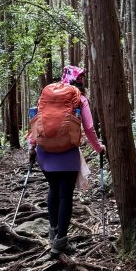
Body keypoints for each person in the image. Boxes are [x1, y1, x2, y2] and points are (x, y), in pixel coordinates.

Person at [29, 65, 104, 256]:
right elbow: (89, 128)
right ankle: (60, 241)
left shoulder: (47, 96)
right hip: (68, 152)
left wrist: (32, 146)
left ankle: (53, 233)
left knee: (53, 190)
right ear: (80, 81)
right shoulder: (80, 98)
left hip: (45, 152)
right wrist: (98, 148)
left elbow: (37, 122)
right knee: (65, 196)